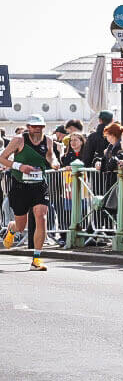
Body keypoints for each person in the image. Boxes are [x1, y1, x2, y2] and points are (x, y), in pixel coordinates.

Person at [1, 115, 59, 269]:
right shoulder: (19, 140)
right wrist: (20, 167)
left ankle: (36, 259)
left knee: (42, 216)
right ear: (28, 127)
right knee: (21, 226)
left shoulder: (48, 140)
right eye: (34, 126)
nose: (37, 129)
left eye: (40, 126)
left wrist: (54, 162)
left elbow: (50, 154)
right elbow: (2, 158)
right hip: (20, 186)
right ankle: (12, 228)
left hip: (39, 185)